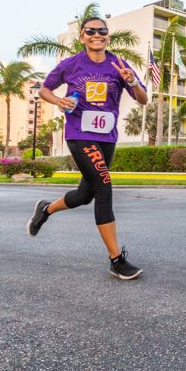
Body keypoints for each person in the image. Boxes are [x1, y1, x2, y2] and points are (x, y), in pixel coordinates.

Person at [25, 15, 149, 280]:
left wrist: (132, 82)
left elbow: (143, 99)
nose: (96, 34)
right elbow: (45, 90)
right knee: (104, 184)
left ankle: (45, 210)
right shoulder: (70, 64)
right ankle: (116, 260)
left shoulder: (119, 64)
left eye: (102, 31)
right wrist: (60, 101)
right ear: (82, 37)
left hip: (107, 137)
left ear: (108, 36)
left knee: (85, 194)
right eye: (90, 31)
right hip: (79, 133)